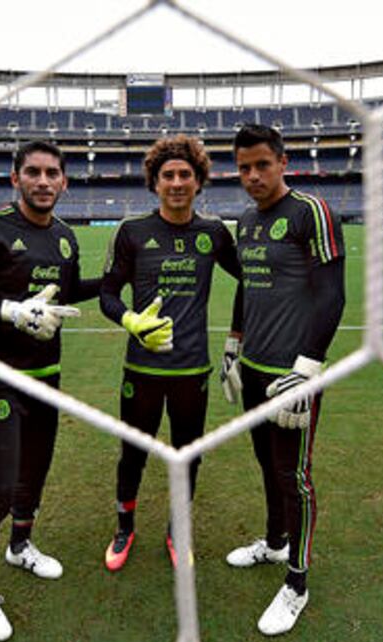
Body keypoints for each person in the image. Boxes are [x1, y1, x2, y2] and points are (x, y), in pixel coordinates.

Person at [0, 141, 100, 642]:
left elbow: (67, 292)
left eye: (52, 173)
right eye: (33, 172)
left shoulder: (66, 237)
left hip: (46, 376)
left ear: (64, 181)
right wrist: (9, 310)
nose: (43, 181)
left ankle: (21, 545)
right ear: (15, 178)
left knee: (34, 474)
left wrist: (116, 281)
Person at [220, 124, 346, 636]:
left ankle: (297, 582)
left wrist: (308, 369)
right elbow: (246, 287)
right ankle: (274, 543)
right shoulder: (246, 221)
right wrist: (233, 345)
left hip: (291, 376)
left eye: (262, 165)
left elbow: (332, 294)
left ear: (283, 163)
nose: (252, 176)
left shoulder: (310, 212)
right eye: (244, 168)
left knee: (295, 476)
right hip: (253, 370)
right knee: (267, 466)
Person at [99, 134, 241, 572]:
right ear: (155, 182)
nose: (177, 183)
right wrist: (129, 320)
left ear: (198, 181)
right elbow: (107, 293)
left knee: (187, 454)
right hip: (141, 368)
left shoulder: (214, 233)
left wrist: (236, 337)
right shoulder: (132, 231)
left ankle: (177, 530)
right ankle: (124, 527)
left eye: (185, 175)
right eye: (168, 175)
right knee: (133, 453)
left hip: (191, 370)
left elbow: (252, 279)